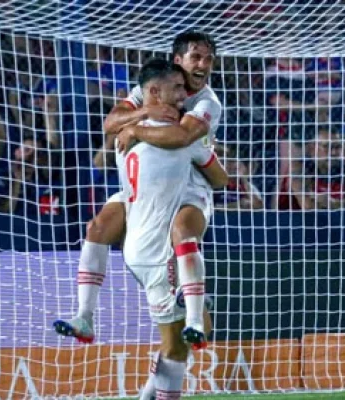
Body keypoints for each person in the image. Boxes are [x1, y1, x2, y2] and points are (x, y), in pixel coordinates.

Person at [54, 31, 221, 351]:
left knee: (183, 230)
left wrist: (133, 129)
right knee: (98, 226)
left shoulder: (207, 103)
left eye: (208, 58)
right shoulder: (152, 90)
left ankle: (196, 316)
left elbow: (181, 138)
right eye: (196, 57)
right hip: (144, 189)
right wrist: (143, 112)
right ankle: (84, 317)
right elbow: (110, 121)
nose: (204, 64)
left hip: (188, 189)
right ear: (178, 60)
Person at [120, 59, 228, 400]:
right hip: (158, 251)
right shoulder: (180, 136)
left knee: (190, 334)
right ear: (155, 92)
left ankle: (147, 393)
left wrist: (134, 126)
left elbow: (106, 147)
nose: (185, 95)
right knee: (183, 341)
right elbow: (222, 179)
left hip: (136, 243)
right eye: (177, 89)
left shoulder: (122, 138)